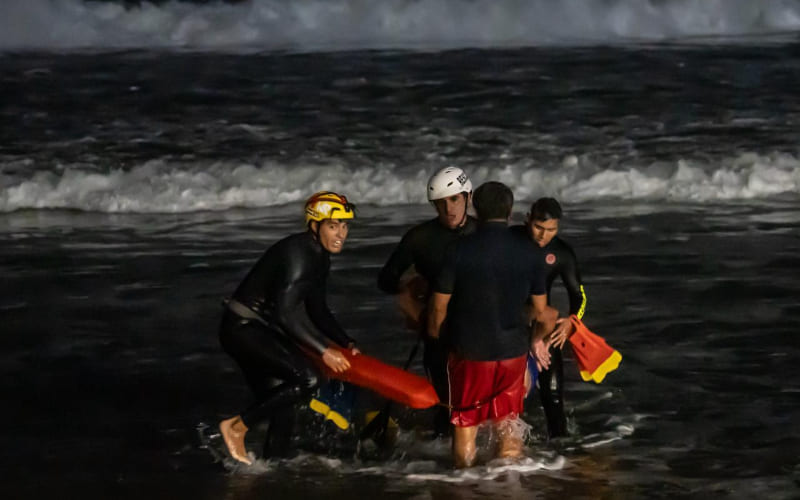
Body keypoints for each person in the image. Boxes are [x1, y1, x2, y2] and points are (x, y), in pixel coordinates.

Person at [217, 191, 359, 465]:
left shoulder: (319, 255)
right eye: (333, 226)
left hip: (257, 330)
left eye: (344, 225)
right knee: (309, 378)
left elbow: (317, 309)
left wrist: (345, 341)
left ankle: (270, 470)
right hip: (243, 330)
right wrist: (324, 351)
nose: (341, 233)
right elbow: (284, 314)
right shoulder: (300, 254)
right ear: (314, 226)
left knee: (286, 405)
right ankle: (236, 428)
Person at [428, 182, 557, 468]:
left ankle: (464, 485)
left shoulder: (458, 250)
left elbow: (438, 308)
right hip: (512, 353)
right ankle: (507, 485)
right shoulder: (530, 253)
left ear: (474, 206)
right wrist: (532, 341)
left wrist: (438, 339)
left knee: (465, 424)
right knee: (508, 422)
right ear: (510, 212)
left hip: (470, 352)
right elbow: (541, 311)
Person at [377, 166, 477, 437]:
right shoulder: (420, 238)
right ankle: (444, 466)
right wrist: (409, 289)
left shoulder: (484, 233)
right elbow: (385, 280)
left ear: (468, 196)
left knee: (479, 402)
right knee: (447, 404)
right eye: (440, 203)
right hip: (438, 331)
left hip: (480, 329)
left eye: (454, 199)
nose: (449, 209)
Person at [511, 197, 585, 438]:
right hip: (508, 324)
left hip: (544, 324)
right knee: (508, 402)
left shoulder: (561, 252)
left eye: (551, 230)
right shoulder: (510, 241)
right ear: (527, 220)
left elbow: (579, 295)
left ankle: (560, 463)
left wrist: (572, 323)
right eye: (538, 228)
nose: (544, 236)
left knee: (553, 399)